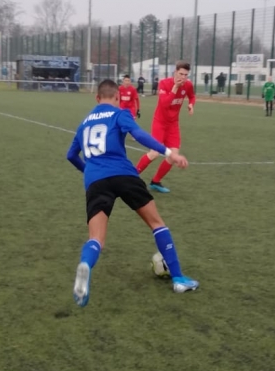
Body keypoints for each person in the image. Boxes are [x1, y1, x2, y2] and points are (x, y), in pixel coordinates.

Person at [66, 78, 199, 307]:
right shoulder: (120, 114)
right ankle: (178, 279)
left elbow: (70, 155)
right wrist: (170, 153)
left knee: (96, 238)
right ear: (118, 97)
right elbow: (138, 134)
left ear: (97, 98)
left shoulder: (84, 123)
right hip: (124, 175)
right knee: (157, 224)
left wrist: (88, 170)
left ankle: (86, 264)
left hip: (96, 180)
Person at [135, 61, 196, 193]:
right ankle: (132, 176)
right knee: (154, 153)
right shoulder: (164, 83)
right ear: (175, 72)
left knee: (173, 156)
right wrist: (175, 88)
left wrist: (191, 104)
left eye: (186, 75)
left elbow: (192, 96)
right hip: (160, 123)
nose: (183, 77)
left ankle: (155, 181)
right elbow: (164, 104)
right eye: (181, 74)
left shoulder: (188, 85)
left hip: (173, 124)